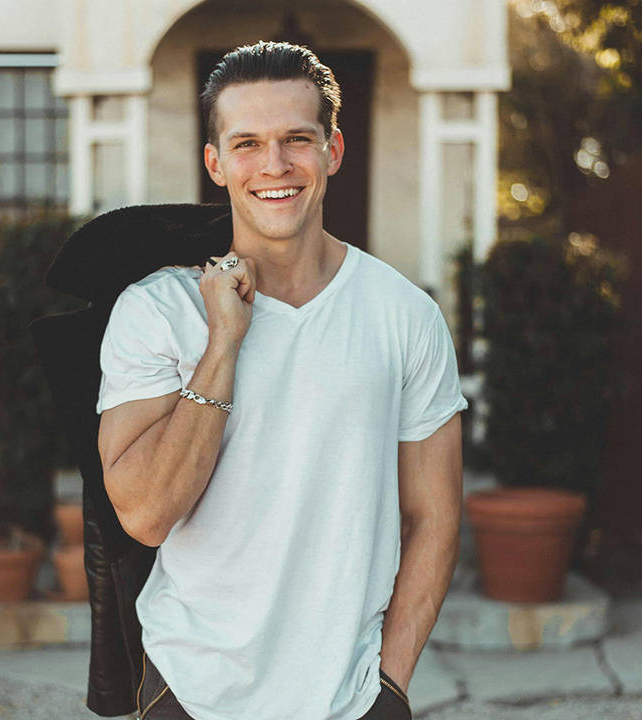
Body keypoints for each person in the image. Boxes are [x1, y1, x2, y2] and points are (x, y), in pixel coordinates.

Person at [96, 41, 467, 720]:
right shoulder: (157, 311)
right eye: (247, 144)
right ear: (215, 162)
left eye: (297, 138)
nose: (274, 165)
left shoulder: (404, 314)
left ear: (333, 150)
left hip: (349, 698)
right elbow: (146, 515)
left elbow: (434, 517)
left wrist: (389, 688)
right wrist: (223, 344)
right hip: (191, 690)